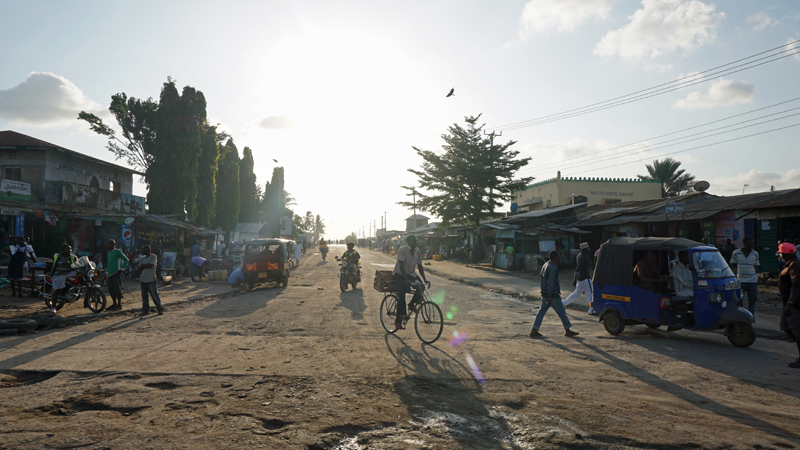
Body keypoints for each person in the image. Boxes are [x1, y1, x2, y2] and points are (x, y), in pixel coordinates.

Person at [530, 251, 579, 338]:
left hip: (545, 294)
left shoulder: (545, 265)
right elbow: (551, 283)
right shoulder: (553, 268)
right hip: (553, 295)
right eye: (558, 257)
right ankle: (567, 330)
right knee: (562, 312)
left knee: (541, 312)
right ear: (556, 258)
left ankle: (534, 329)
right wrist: (549, 297)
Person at [393, 235, 430, 331]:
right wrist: (406, 280)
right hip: (400, 274)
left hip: (411, 274)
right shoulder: (402, 249)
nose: (415, 243)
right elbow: (401, 265)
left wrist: (424, 279)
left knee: (421, 287)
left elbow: (420, 266)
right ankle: (398, 319)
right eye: (413, 241)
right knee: (402, 294)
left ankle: (411, 304)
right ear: (408, 241)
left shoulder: (417, 250)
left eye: (416, 241)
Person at [777, 243, 800, 368]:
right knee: (785, 327)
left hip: (795, 304)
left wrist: (790, 304)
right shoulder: (790, 264)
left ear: (783, 254)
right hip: (787, 303)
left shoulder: (795, 265)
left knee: (796, 330)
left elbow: (797, 286)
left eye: (780, 254)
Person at [730, 237, 760, 315]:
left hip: (752, 280)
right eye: (749, 243)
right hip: (740, 280)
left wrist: (757, 276)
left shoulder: (755, 253)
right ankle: (741, 315)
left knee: (753, 300)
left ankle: (750, 316)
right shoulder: (736, 253)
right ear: (744, 243)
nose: (751, 245)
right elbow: (734, 265)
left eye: (752, 243)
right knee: (739, 299)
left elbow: (756, 266)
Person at [563, 242, 594, 310]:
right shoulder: (583, 257)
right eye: (587, 248)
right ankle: (592, 309)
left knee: (576, 293)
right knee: (590, 293)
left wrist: (576, 279)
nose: (588, 249)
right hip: (585, 277)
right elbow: (578, 269)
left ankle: (563, 303)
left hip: (580, 278)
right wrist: (574, 279)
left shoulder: (580, 255)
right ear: (584, 249)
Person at [49, 244, 77, 313]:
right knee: (57, 290)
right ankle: (53, 307)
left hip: (68, 274)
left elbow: (77, 264)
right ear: (63, 250)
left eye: (70, 249)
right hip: (58, 274)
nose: (70, 251)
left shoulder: (73, 257)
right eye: (68, 249)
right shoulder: (57, 256)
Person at [138, 245, 164, 316]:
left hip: (151, 279)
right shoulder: (142, 258)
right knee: (144, 297)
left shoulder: (153, 257)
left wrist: (143, 266)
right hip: (143, 279)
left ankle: (159, 308)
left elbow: (151, 265)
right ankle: (145, 310)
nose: (141, 251)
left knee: (154, 295)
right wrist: (145, 266)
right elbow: (139, 268)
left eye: (143, 250)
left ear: (147, 250)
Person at [105, 240, 129, 310]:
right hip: (110, 274)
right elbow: (108, 264)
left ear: (112, 245)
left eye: (108, 244)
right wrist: (106, 272)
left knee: (117, 289)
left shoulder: (118, 252)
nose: (106, 246)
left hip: (116, 273)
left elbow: (126, 259)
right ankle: (114, 304)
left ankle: (119, 304)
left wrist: (122, 268)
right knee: (111, 289)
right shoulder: (108, 253)